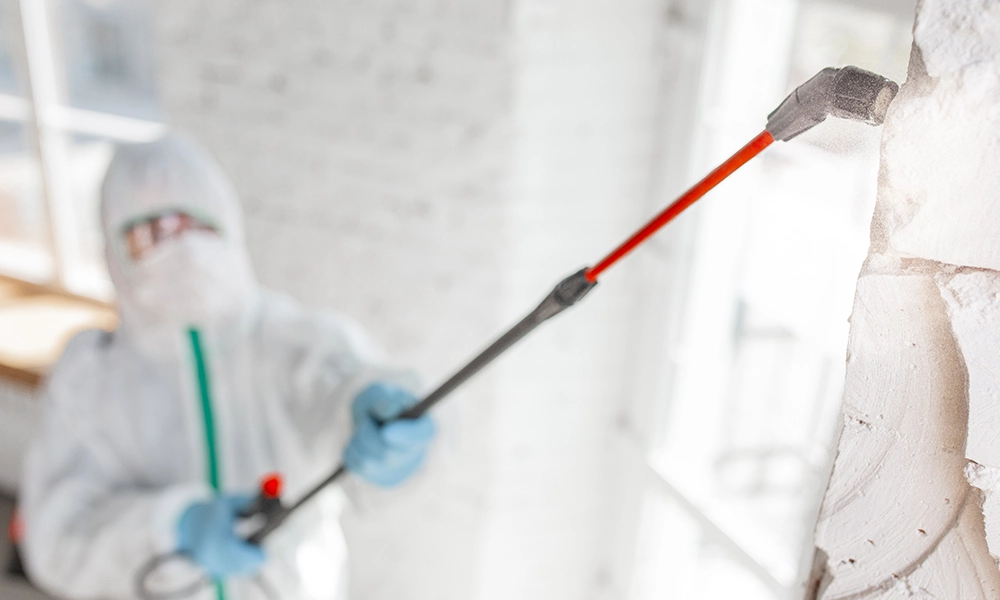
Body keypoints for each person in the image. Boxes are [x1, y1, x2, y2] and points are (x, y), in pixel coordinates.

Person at [20, 134, 436, 600]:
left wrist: (376, 412)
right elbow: (55, 545)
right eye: (151, 231)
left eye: (192, 223)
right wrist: (171, 528)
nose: (179, 246)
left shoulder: (296, 343)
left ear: (227, 225)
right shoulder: (88, 379)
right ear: (114, 252)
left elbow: (341, 384)